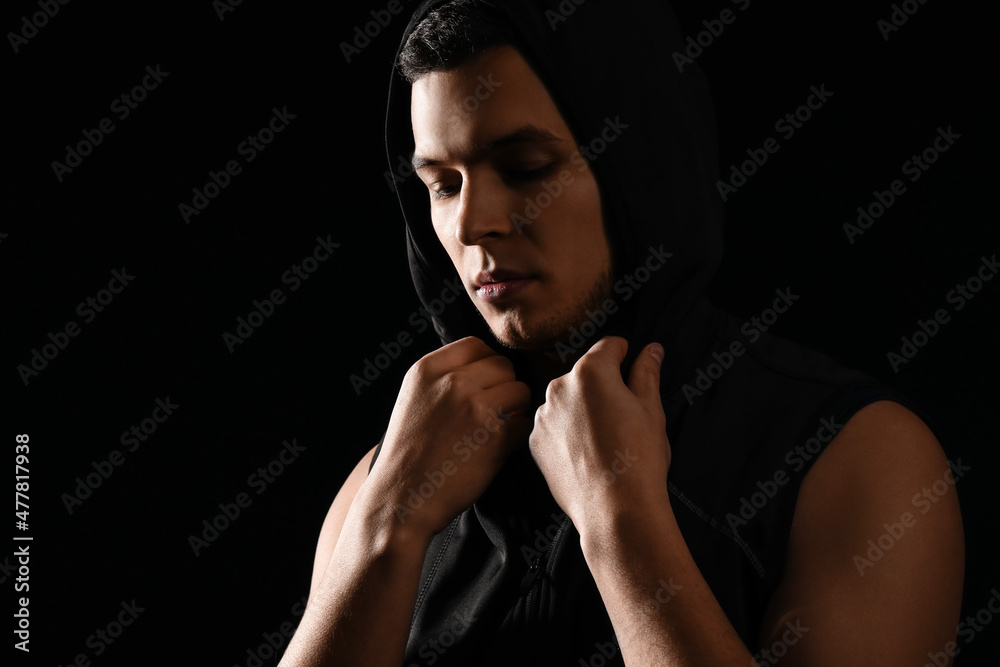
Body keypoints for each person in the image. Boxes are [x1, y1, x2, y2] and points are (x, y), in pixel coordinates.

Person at [280, 1, 964, 665]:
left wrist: (622, 524)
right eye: (442, 183)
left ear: (640, 165)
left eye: (525, 169)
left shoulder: (856, 457)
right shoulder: (385, 477)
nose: (469, 224)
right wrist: (386, 526)